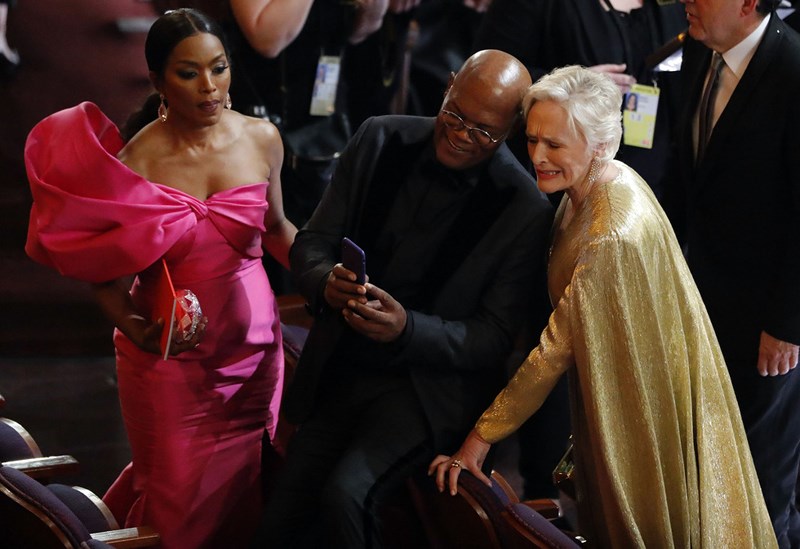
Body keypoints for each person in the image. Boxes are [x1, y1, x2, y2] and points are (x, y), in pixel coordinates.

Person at [430, 65, 777, 548]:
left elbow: (553, 350)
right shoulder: (594, 184)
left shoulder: (609, 233)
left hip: (638, 409)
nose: (538, 156)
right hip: (618, 386)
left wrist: (478, 441)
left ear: (599, 145)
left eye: (555, 145)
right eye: (533, 139)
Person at [256, 49, 554, 548]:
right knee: (280, 521)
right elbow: (312, 242)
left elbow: (492, 338)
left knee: (347, 494)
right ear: (449, 84)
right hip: (344, 365)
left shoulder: (525, 207)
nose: (461, 134)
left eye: (483, 132)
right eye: (455, 114)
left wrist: (407, 328)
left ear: (511, 129)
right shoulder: (380, 137)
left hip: (427, 391)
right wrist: (325, 280)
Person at [24, 8, 296, 548]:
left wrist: (322, 273)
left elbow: (277, 228)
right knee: (178, 507)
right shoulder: (133, 166)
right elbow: (105, 282)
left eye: (219, 68)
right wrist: (141, 332)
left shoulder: (262, 138)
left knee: (247, 495)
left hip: (255, 355)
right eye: (189, 73)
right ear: (157, 81)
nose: (210, 86)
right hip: (172, 367)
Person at [665, 0, 800, 545]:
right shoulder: (702, 51)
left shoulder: (793, 70)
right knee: (706, 468)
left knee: (760, 483)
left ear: (747, 4)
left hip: (768, 320)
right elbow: (687, 177)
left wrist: (788, 324)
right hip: (701, 298)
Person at [473, 0, 686, 200]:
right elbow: (489, 73)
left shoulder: (677, 6)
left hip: (650, 178)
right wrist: (572, 86)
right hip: (552, 183)